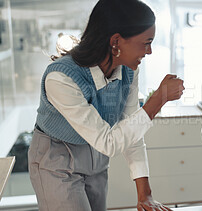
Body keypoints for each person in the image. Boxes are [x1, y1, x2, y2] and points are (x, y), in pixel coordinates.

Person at [28, 0, 184, 210]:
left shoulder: (128, 70)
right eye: (146, 42)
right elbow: (109, 142)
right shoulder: (60, 78)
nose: (150, 52)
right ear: (116, 41)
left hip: (96, 159)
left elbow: (132, 129)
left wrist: (144, 194)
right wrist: (158, 99)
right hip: (57, 159)